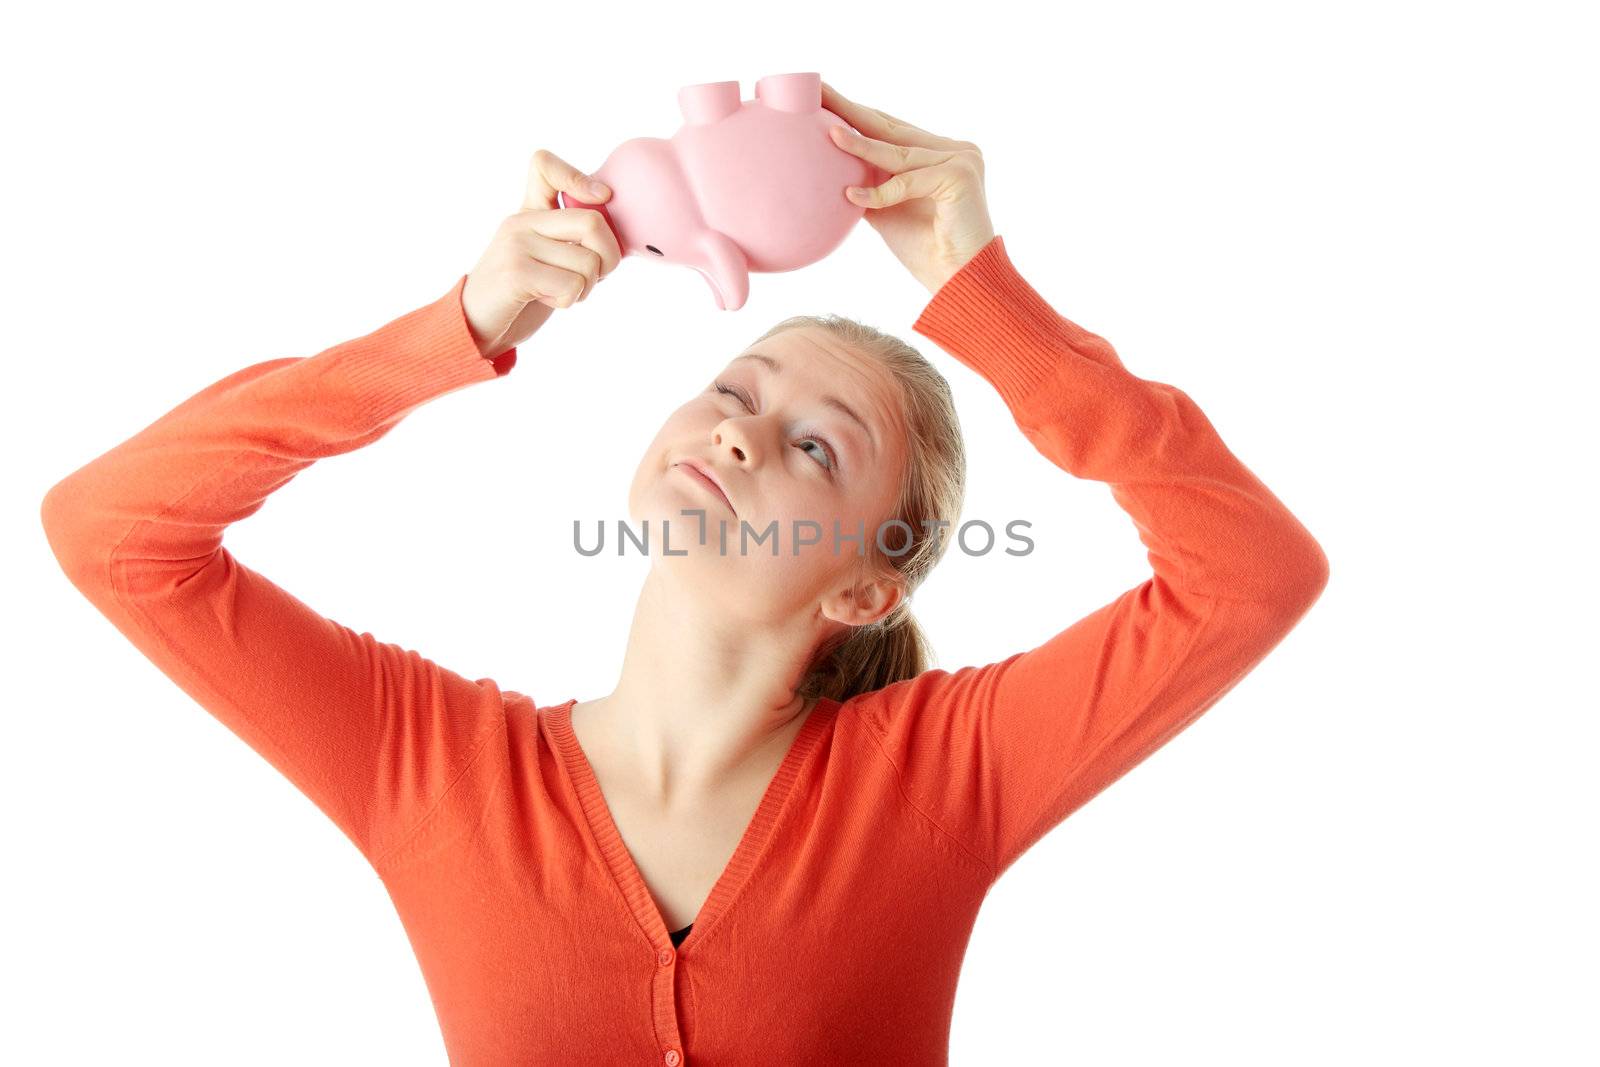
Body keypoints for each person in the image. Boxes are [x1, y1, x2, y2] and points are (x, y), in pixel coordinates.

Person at [41, 81, 1329, 1065]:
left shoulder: (944, 776)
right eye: (733, 389)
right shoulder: (427, 764)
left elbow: (1251, 574)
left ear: (866, 589)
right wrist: (464, 326)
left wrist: (981, 293)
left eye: (815, 446)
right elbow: (113, 532)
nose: (738, 431)